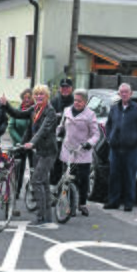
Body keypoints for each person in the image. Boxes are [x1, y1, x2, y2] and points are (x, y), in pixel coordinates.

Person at [1, 85, 58, 229]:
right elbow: (17, 114)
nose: (39, 97)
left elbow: (43, 130)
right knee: (43, 183)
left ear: (47, 96)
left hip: (48, 151)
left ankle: (41, 217)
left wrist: (31, 143)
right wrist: (6, 105)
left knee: (37, 181)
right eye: (37, 94)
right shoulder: (35, 110)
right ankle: (47, 217)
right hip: (38, 151)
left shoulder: (49, 111)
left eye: (42, 94)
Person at [103, 83, 137, 212]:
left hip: (131, 149)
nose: (124, 94)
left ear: (131, 93)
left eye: (126, 92)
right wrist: (110, 138)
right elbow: (108, 124)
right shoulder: (115, 108)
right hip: (115, 148)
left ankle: (128, 203)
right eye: (121, 92)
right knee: (114, 176)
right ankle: (113, 201)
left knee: (129, 176)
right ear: (119, 94)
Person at [56, 89, 100, 217]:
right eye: (75, 100)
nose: (76, 103)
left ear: (85, 102)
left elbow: (95, 134)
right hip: (68, 150)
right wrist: (55, 134)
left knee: (83, 179)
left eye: (79, 101)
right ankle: (69, 204)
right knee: (68, 178)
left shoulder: (90, 114)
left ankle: (82, 203)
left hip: (82, 151)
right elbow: (61, 126)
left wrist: (89, 143)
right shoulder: (67, 111)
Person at [8, 88, 34, 199]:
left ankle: (33, 192)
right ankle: (16, 191)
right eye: (25, 97)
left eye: (29, 97)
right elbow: (11, 127)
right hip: (19, 144)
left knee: (34, 169)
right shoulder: (18, 110)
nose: (27, 99)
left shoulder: (35, 111)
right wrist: (20, 142)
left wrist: (32, 142)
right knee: (19, 169)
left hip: (33, 144)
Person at [50, 78, 75, 186]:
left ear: (71, 89)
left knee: (71, 168)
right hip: (57, 139)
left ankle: (69, 194)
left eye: (67, 87)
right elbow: (48, 119)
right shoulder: (54, 101)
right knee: (56, 166)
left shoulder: (76, 102)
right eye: (63, 87)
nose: (65, 89)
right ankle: (53, 192)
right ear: (60, 89)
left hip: (72, 140)